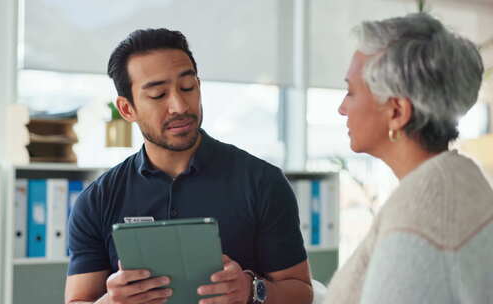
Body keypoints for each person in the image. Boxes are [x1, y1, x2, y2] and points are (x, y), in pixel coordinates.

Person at [64, 28, 313, 304]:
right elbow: (78, 300)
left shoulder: (262, 182)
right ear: (126, 109)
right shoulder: (97, 199)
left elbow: (301, 292)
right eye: (158, 95)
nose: (180, 106)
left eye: (187, 88)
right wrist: (112, 301)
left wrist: (251, 290)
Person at [324, 13, 493, 304]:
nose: (342, 108)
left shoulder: (423, 216)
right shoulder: (460, 182)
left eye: (350, 92)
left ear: (397, 112)